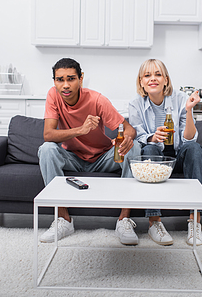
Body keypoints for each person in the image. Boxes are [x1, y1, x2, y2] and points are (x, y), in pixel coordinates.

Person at [38, 58, 141, 245]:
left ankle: (124, 220)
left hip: (103, 157)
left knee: (136, 148)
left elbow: (129, 129)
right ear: (54, 81)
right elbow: (48, 134)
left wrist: (127, 138)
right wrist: (80, 130)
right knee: (46, 150)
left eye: (71, 79)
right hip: (73, 158)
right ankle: (63, 220)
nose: (65, 85)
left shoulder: (97, 100)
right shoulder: (53, 95)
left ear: (81, 78)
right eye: (60, 80)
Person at [128, 59, 202, 246]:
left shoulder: (180, 99)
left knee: (195, 148)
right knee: (149, 149)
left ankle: (194, 223)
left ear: (166, 79)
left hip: (178, 156)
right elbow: (138, 136)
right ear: (141, 81)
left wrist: (188, 111)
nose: (152, 79)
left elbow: (189, 139)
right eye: (147, 75)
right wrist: (153, 137)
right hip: (156, 157)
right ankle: (154, 222)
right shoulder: (135, 104)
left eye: (157, 74)